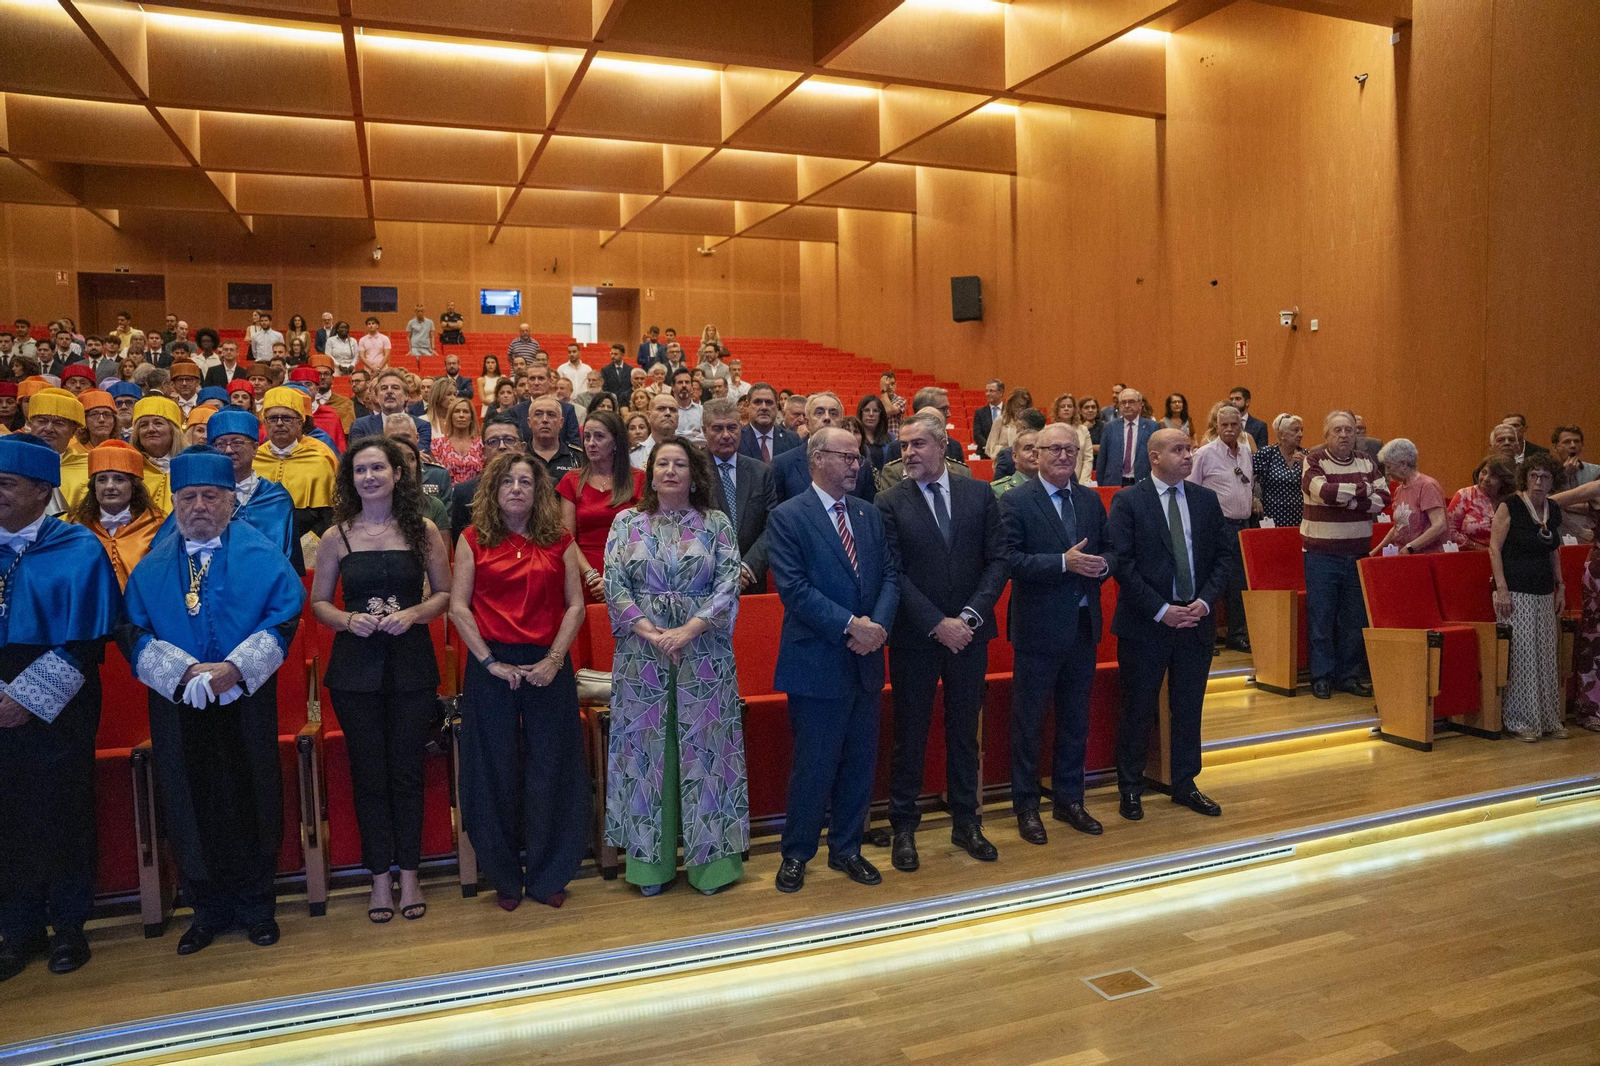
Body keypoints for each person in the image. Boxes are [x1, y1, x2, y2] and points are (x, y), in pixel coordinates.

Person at [119, 447, 306, 955]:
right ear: (175, 502)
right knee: (187, 794)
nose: (199, 506)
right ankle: (206, 909)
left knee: (253, 790)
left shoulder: (260, 552)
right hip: (177, 701)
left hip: (244, 694)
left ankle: (255, 905)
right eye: (188, 497)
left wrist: (234, 669)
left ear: (229, 502)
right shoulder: (154, 561)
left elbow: (285, 616)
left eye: (210, 496)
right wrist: (181, 673)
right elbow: (131, 629)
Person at [311, 438, 450, 923]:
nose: (369, 477)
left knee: (408, 772)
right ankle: (377, 879)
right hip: (355, 670)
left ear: (396, 474)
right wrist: (348, 621)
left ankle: (410, 874)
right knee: (368, 775)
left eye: (378, 468)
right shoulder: (336, 536)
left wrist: (414, 612)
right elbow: (320, 604)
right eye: (360, 470)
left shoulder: (425, 529)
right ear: (351, 480)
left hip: (411, 662)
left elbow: (445, 594)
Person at [0, 434, 122, 981]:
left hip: (59, 699)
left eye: (6, 485)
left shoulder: (77, 546)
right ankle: (17, 928)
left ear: (43, 489)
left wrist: (25, 698)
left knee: (62, 810)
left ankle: (69, 926)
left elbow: (90, 639)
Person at [602, 436, 747, 897]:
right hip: (641, 658)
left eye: (679, 463)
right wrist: (651, 632)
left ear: (693, 473)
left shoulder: (717, 522)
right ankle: (650, 867)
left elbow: (729, 582)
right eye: (661, 463)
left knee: (708, 755)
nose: (670, 470)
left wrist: (687, 630)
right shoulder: (626, 522)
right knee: (647, 756)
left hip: (704, 654)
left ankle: (713, 868)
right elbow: (613, 583)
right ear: (650, 471)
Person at [450, 452, 590, 911]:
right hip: (492, 666)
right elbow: (459, 607)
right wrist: (490, 662)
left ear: (538, 491)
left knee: (554, 767)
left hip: (548, 664)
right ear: (493, 489)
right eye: (507, 481)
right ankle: (504, 876)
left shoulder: (560, 540)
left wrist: (554, 659)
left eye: (525, 481)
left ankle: (551, 873)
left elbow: (575, 605)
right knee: (493, 771)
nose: (516, 488)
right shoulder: (472, 539)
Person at [767, 427, 898, 893]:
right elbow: (794, 590)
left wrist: (876, 628)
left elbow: (889, 576)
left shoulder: (867, 513)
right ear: (818, 458)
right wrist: (852, 626)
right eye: (847, 457)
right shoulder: (788, 516)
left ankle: (847, 849)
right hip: (817, 661)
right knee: (814, 765)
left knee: (859, 763)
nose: (855, 465)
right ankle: (797, 853)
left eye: (858, 458)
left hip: (865, 660)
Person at [877, 412, 1006, 869]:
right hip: (917, 636)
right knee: (909, 735)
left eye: (917, 445)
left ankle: (967, 823)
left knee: (963, 734)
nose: (908, 453)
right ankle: (904, 828)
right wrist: (938, 623)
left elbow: (998, 560)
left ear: (942, 447)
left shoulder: (978, 493)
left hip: (970, 634)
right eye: (903, 446)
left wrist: (968, 617)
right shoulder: (889, 502)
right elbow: (893, 572)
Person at [1106, 429, 1230, 822]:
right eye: (1178, 450)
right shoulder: (1128, 501)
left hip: (1195, 619)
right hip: (1147, 621)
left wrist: (1205, 603)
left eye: (1189, 449)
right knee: (1138, 707)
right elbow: (1122, 564)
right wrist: (1161, 609)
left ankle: (1185, 782)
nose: (1187, 455)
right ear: (1154, 457)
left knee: (1188, 706)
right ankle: (1130, 786)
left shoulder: (1206, 500)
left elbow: (1223, 558)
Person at [997, 423, 1109, 842]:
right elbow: (1009, 560)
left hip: (1083, 626)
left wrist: (1102, 566)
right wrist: (1063, 563)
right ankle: (1026, 806)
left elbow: (1110, 548)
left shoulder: (1089, 500)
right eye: (1055, 449)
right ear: (1036, 454)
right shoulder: (1016, 501)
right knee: (1029, 722)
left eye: (1071, 449)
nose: (1064, 456)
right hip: (1038, 628)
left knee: (1075, 719)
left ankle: (1069, 800)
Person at [1301, 411, 1388, 700]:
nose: (1343, 435)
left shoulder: (1367, 461)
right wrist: (1363, 492)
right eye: (1337, 430)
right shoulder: (1313, 461)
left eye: (1349, 430)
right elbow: (1324, 493)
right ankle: (1321, 676)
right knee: (1322, 617)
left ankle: (1347, 675)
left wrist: (1348, 499)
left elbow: (1384, 499)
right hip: (1321, 555)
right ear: (1326, 435)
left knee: (1354, 617)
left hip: (1358, 553)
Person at [1489, 453, 1565, 742]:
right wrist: (1502, 588)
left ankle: (1547, 719)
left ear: (1552, 481)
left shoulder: (1553, 509)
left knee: (1545, 655)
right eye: (1533, 475)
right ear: (1525, 478)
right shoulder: (1510, 505)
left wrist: (1561, 586)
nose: (1538, 482)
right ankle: (1521, 719)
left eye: (1545, 477)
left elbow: (1554, 549)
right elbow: (1494, 549)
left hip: (1544, 590)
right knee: (1522, 657)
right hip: (1515, 590)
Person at [554, 410, 643, 602]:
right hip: (585, 575)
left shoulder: (639, 480)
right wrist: (591, 576)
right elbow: (567, 537)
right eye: (587, 437)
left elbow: (644, 539)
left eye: (599, 436)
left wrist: (615, 579)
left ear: (616, 443)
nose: (590, 443)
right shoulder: (571, 480)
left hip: (630, 574)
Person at [1187, 404, 1254, 653]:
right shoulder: (1204, 454)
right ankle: (1207, 635)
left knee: (1238, 584)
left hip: (1242, 527)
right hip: (1214, 526)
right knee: (1211, 581)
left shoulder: (1246, 452)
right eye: (1223, 424)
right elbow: (1190, 490)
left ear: (1241, 426)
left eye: (1233, 424)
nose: (1228, 429)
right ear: (1216, 426)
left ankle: (1237, 634)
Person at [702, 399, 775, 594]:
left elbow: (773, 525)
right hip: (704, 583)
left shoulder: (760, 472)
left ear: (740, 429)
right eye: (717, 428)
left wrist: (747, 567)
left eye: (732, 428)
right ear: (704, 431)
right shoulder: (693, 471)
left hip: (750, 580)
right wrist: (721, 571)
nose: (726, 435)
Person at [72, 440, 165, 587]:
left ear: (133, 486)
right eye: (102, 479)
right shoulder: (77, 528)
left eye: (119, 479)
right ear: (93, 487)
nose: (109, 486)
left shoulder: (157, 528)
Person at [253, 386, 336, 545]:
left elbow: (329, 517)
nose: (279, 423)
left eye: (287, 418)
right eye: (272, 418)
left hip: (306, 547)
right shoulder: (254, 459)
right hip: (258, 544)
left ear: (300, 423)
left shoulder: (319, 460)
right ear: (265, 423)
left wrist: (305, 550)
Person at [1552, 476, 1600, 732]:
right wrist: (1579, 531)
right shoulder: (1597, 487)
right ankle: (1590, 709)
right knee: (1595, 639)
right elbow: (1552, 502)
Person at [771, 392, 875, 505]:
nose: (827, 418)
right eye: (819, 413)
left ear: (841, 422)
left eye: (833, 413)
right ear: (807, 422)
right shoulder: (783, 464)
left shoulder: (861, 467)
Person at [1372, 439, 1448, 555]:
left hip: (1425, 557)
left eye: (1389, 467)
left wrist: (1410, 547)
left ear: (1403, 464)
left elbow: (1439, 525)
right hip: (1405, 556)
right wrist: (1375, 551)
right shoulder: (1400, 489)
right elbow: (1398, 527)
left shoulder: (1427, 486)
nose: (1387, 472)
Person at [351, 368, 432, 451]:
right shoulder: (361, 425)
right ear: (377, 396)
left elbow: (421, 456)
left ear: (406, 395)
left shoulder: (422, 426)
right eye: (384, 388)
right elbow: (359, 456)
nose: (389, 391)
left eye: (395, 388)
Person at [1448, 456, 1518, 550]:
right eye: (1484, 472)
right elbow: (1449, 531)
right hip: (1468, 554)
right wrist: (1475, 546)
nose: (1485, 479)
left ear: (1504, 481)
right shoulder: (1464, 495)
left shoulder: (1512, 500)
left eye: (1493, 476)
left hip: (1504, 556)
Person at [1095, 388, 1159, 486]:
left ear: (1140, 404)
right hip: (1114, 482)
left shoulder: (1152, 427)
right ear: (1119, 405)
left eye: (1131, 402)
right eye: (1123, 402)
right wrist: (1101, 485)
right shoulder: (1109, 427)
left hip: (1143, 482)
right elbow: (1102, 459)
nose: (1127, 406)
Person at [130, 395, 183, 511]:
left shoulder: (188, 467)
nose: (151, 429)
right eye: (143, 425)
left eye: (158, 423)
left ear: (173, 430)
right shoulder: (130, 471)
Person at [1253, 414, 1306, 528]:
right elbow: (1250, 479)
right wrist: (1254, 499)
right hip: (1272, 515)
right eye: (1295, 430)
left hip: (1299, 517)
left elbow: (1313, 484)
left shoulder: (1305, 455)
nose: (1300, 434)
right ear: (1281, 434)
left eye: (1301, 430)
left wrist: (1306, 466)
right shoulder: (1266, 454)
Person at [739, 384, 798, 462]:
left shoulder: (792, 440)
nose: (764, 407)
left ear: (777, 407)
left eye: (769, 402)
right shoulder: (737, 439)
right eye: (757, 402)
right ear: (747, 406)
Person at [431, 397, 483, 486]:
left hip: (476, 495)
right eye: (457, 411)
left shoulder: (482, 444)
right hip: (447, 495)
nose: (461, 415)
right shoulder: (437, 444)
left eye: (465, 412)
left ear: (471, 418)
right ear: (450, 416)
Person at [984, 388, 1032, 460]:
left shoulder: (1029, 422)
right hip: (1004, 461)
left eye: (1023, 406)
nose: (1019, 409)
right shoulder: (1000, 420)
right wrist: (1006, 450)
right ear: (1011, 404)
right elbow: (990, 448)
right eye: (1016, 405)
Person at [991, 427, 1039, 496]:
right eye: (1028, 449)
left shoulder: (1055, 486)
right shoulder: (998, 490)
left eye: (1039, 448)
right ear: (1015, 456)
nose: (1035, 453)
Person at [856, 394, 891, 472]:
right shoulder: (854, 437)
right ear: (860, 413)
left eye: (875, 411)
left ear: (880, 415)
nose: (871, 414)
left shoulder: (891, 438)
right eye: (866, 410)